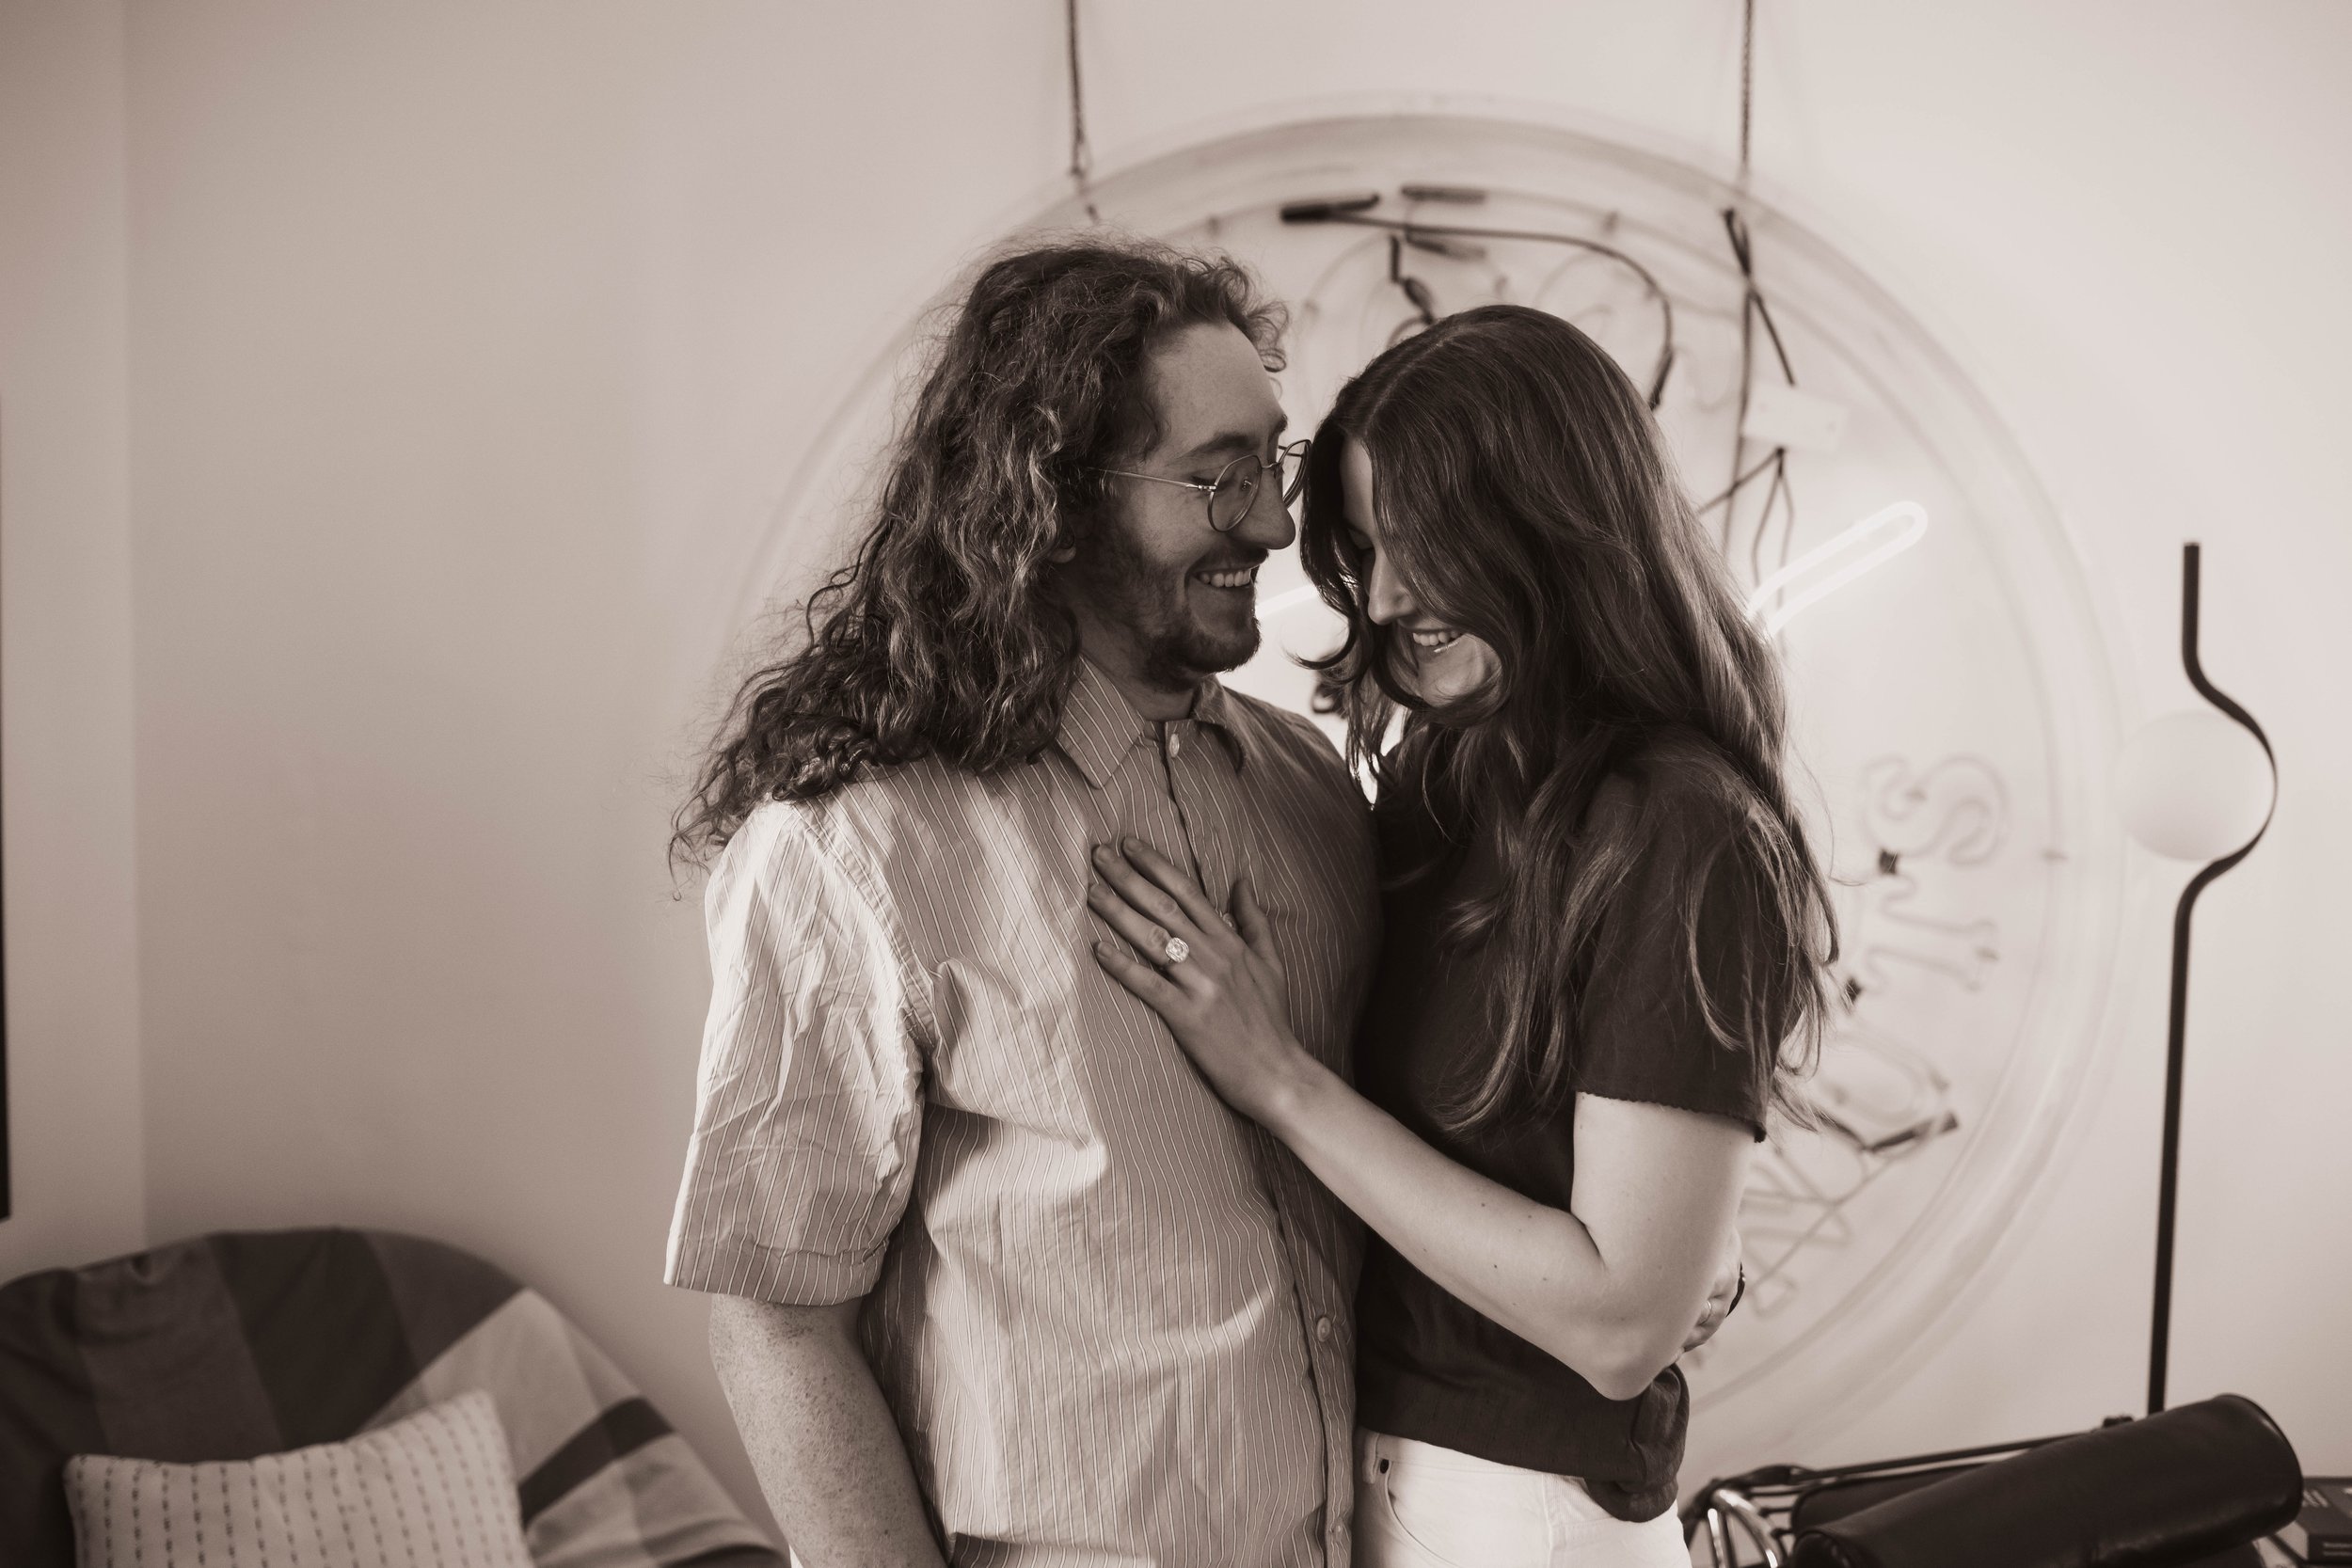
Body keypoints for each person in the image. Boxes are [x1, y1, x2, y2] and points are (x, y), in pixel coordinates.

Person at [661, 238, 1387, 1567]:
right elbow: (777, 1317)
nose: (1276, 529)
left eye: (1271, 467)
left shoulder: (1317, 796)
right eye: (1218, 477)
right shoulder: (857, 844)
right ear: (1055, 499)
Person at [1087, 304, 1836, 1568]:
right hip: (1365, 1480)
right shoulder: (1447, 782)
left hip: (1522, 1517)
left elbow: (1621, 1328)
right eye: (1368, 547)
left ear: (1553, 529)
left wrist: (1279, 1080)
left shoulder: (1680, 826)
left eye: (1424, 543)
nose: (1385, 597)